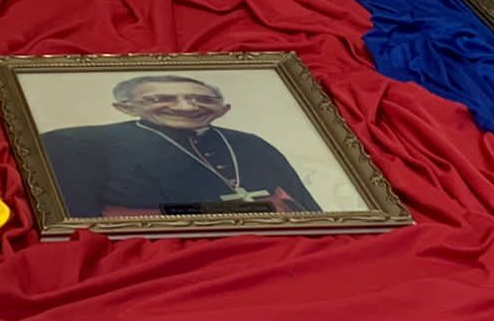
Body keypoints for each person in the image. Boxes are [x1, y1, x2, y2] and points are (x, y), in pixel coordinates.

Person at [41, 75, 320, 217]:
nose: (187, 107)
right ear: (125, 107)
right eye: (160, 99)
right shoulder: (77, 144)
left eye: (203, 99)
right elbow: (81, 222)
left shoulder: (251, 144)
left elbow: (305, 211)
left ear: (223, 109)